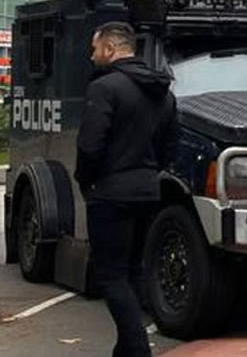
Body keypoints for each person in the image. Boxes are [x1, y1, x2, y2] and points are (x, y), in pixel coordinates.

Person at [74, 22, 178, 357]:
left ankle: (135, 346)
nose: (92, 56)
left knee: (111, 277)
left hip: (110, 192)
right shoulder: (163, 93)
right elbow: (169, 148)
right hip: (148, 190)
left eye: (95, 49)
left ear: (110, 49)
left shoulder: (104, 89)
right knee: (133, 270)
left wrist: (85, 180)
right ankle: (126, 349)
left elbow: (90, 146)